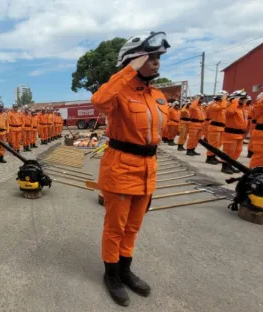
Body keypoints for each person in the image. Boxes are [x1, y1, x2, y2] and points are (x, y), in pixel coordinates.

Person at [91, 31, 170, 306]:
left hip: (148, 168)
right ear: (135, 60)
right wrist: (128, 70)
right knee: (116, 228)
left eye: (159, 57)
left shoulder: (158, 95)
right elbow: (99, 101)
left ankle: (125, 270)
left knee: (133, 227)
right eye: (151, 57)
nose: (157, 62)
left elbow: (161, 131)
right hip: (121, 167)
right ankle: (111, 275)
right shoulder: (117, 93)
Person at [221, 90, 249, 174]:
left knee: (238, 151)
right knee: (229, 151)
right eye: (242, 99)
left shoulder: (243, 109)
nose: (244, 101)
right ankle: (225, 166)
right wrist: (235, 101)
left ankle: (231, 164)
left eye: (244, 99)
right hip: (231, 133)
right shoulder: (231, 107)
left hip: (240, 134)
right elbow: (229, 113)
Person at [205, 91, 228, 164]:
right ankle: (209, 158)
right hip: (215, 127)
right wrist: (224, 98)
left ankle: (213, 156)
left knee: (218, 144)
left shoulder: (221, 105)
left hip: (221, 127)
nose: (226, 99)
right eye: (224, 97)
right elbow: (223, 106)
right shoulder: (214, 105)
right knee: (213, 144)